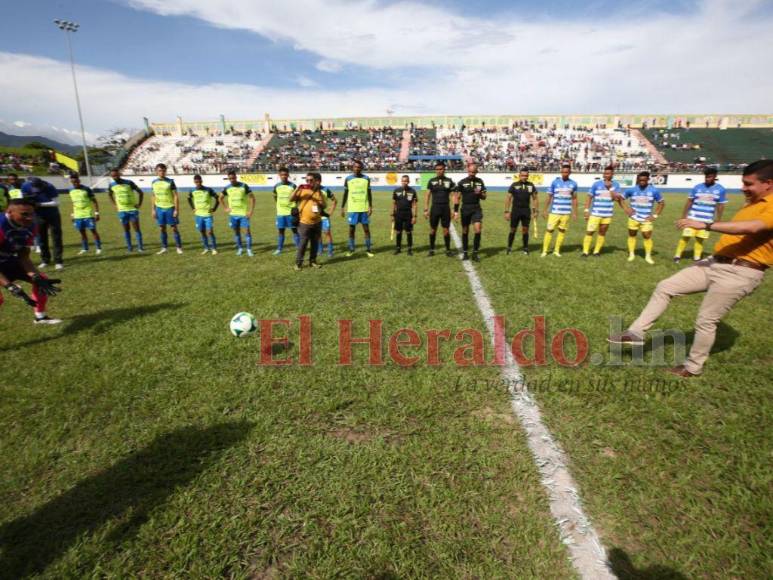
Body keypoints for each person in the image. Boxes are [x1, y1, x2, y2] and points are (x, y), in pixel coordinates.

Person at [609, 160, 773, 377]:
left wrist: (704, 224)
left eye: (748, 184)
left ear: (768, 183)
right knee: (666, 286)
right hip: (715, 263)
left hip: (741, 272)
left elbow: (752, 228)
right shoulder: (753, 202)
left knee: (706, 320)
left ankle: (692, 367)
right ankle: (636, 332)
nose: (743, 188)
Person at [0, 198, 62, 324]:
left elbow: (23, 256)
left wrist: (35, 276)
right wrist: (10, 287)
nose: (29, 218)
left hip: (8, 261)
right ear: (9, 211)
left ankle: (41, 317)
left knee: (41, 279)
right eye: (24, 214)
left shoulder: (31, 226)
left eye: (32, 213)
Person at [674, 167, 727, 263]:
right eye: (706, 177)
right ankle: (677, 256)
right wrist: (683, 216)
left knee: (699, 240)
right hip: (692, 219)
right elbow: (689, 201)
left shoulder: (721, 189)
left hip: (706, 221)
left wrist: (718, 219)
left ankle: (696, 258)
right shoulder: (697, 187)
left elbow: (721, 205)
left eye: (710, 177)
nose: (707, 179)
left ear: (715, 177)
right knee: (685, 237)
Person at [622, 171, 664, 264]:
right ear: (638, 180)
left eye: (644, 180)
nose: (642, 182)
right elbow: (620, 198)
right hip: (633, 218)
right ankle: (631, 254)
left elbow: (661, 203)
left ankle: (648, 256)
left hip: (646, 219)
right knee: (632, 235)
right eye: (640, 180)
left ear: (648, 180)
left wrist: (655, 215)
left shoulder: (654, 190)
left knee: (647, 236)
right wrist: (626, 208)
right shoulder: (632, 190)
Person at [22, 177, 63, 269]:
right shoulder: (25, 186)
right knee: (41, 238)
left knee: (56, 237)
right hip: (38, 215)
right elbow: (24, 199)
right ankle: (45, 260)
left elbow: (56, 203)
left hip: (52, 214)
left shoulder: (50, 186)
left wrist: (39, 204)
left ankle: (58, 261)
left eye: (39, 188)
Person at [582, 165, 624, 257]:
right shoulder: (596, 184)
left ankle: (596, 252)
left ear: (612, 174)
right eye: (605, 173)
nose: (606, 175)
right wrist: (586, 210)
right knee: (589, 232)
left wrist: (610, 188)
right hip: (595, 213)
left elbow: (616, 198)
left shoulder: (616, 185)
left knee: (602, 232)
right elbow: (589, 197)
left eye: (608, 173)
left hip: (607, 214)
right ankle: (585, 252)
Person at [290, 172, 326, 270]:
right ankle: (298, 263)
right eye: (307, 180)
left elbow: (324, 206)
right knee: (303, 244)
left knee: (315, 243)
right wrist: (298, 188)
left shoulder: (320, 192)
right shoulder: (302, 190)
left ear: (316, 181)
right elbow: (291, 199)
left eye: (311, 180)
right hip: (304, 222)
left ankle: (312, 261)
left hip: (317, 222)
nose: (309, 182)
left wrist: (318, 193)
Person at [542, 164, 578, 257]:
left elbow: (574, 199)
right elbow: (549, 197)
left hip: (566, 213)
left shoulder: (573, 184)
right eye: (563, 172)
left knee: (562, 231)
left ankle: (556, 250)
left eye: (567, 172)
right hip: (554, 212)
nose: (565, 173)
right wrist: (545, 210)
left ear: (570, 172)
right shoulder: (555, 182)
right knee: (549, 230)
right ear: (561, 172)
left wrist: (574, 212)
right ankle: (545, 251)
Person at [453, 161, 487, 261]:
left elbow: (484, 197)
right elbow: (457, 197)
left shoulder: (480, 182)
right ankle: (465, 253)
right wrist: (455, 212)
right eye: (470, 172)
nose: (472, 174)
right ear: (468, 171)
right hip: (465, 209)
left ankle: (475, 253)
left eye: (474, 172)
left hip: (476, 208)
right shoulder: (462, 182)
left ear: (476, 172)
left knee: (478, 229)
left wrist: (479, 193)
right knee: (465, 230)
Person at [341, 160, 374, 258]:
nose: (357, 168)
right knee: (351, 230)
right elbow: (345, 194)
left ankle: (368, 249)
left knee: (366, 230)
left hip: (363, 208)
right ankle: (351, 249)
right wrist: (342, 207)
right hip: (352, 209)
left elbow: (369, 194)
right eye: (355, 167)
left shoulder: (366, 178)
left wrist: (370, 206)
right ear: (353, 167)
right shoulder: (348, 179)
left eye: (359, 167)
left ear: (361, 168)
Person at [107, 167, 145, 252]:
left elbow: (140, 192)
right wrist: (114, 205)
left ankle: (140, 247)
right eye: (113, 176)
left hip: (132, 209)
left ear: (119, 174)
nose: (115, 177)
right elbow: (109, 194)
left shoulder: (129, 183)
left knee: (136, 229)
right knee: (126, 229)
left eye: (116, 175)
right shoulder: (112, 185)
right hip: (122, 211)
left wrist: (139, 204)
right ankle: (129, 248)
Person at [423, 161, 455, 257]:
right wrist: (425, 209)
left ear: (444, 169)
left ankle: (448, 250)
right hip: (435, 208)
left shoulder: (449, 181)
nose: (439, 171)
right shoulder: (431, 181)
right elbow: (427, 195)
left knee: (446, 230)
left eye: (441, 169)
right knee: (433, 230)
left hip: (445, 208)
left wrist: (453, 209)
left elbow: (452, 195)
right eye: (437, 169)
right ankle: (432, 249)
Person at [221, 169, 255, 256]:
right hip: (233, 214)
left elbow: (252, 198)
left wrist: (250, 211)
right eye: (230, 179)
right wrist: (225, 208)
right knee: (236, 232)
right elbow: (220, 198)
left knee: (247, 232)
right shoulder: (227, 188)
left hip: (243, 214)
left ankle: (249, 250)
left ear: (236, 177)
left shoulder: (244, 186)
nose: (232, 180)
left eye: (233, 178)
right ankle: (240, 248)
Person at [505, 168, 538, 255]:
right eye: (522, 175)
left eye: (526, 175)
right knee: (513, 229)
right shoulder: (514, 185)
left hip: (526, 211)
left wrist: (535, 211)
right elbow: (508, 198)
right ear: (519, 176)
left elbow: (535, 198)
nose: (524, 177)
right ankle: (509, 247)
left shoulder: (531, 185)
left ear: (528, 176)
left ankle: (525, 248)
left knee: (525, 230)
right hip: (515, 210)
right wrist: (507, 211)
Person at [151, 163, 183, 255]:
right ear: (156, 171)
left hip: (170, 208)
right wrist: (153, 209)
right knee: (162, 228)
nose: (162, 172)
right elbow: (153, 196)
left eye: (164, 170)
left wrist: (176, 210)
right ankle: (164, 247)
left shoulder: (170, 182)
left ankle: (178, 247)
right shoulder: (154, 182)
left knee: (174, 228)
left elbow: (176, 196)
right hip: (159, 208)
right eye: (160, 170)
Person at [68, 172, 102, 255]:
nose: (75, 183)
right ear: (71, 182)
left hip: (88, 214)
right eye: (73, 182)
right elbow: (73, 203)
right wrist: (72, 214)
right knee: (82, 232)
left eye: (76, 182)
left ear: (79, 181)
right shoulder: (71, 190)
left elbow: (95, 201)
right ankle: (85, 248)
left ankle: (98, 248)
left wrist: (97, 213)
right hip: (78, 215)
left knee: (93, 231)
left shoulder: (86, 189)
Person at [187, 174, 219, 255]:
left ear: (201, 181)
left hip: (208, 215)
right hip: (198, 215)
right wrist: (193, 208)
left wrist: (214, 208)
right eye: (196, 181)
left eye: (199, 181)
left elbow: (217, 198)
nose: (198, 183)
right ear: (194, 182)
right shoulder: (192, 191)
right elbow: (188, 198)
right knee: (202, 231)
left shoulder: (208, 190)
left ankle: (214, 248)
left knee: (210, 232)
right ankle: (206, 248)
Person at [273, 167, 300, 255]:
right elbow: (275, 197)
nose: (284, 176)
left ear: (288, 175)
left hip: (291, 213)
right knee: (281, 231)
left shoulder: (293, 186)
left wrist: (294, 207)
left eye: (285, 175)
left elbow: (297, 198)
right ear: (279, 175)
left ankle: (299, 249)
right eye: (282, 175)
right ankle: (279, 249)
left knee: (294, 230)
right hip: (280, 213)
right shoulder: (276, 186)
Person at [392, 175, 417, 255]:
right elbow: (394, 203)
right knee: (398, 231)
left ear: (408, 181)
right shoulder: (396, 190)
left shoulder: (412, 191)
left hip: (408, 214)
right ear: (401, 181)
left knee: (408, 231)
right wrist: (392, 214)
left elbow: (414, 205)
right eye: (403, 181)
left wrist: (414, 216)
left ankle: (409, 249)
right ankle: (398, 248)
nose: (404, 182)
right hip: (398, 214)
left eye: (406, 181)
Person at [318, 184, 337, 257]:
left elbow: (335, 201)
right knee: (317, 234)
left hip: (324, 217)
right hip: (314, 217)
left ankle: (330, 251)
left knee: (327, 233)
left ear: (319, 181)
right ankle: (320, 250)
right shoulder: (310, 189)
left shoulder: (326, 190)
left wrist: (330, 212)